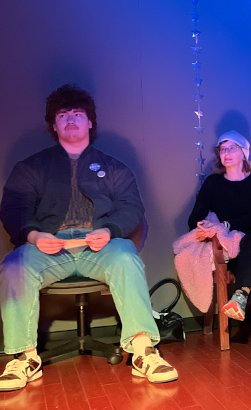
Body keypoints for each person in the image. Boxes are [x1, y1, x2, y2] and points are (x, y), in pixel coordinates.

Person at [0, 84, 177, 391]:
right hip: (49, 247)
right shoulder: (31, 167)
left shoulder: (113, 167)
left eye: (78, 114)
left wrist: (109, 231)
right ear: (54, 125)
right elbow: (13, 208)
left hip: (100, 246)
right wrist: (34, 235)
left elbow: (131, 207)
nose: (70, 119)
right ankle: (23, 357)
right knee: (14, 265)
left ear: (90, 122)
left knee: (125, 257)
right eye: (63, 115)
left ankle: (143, 350)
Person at [187, 130, 251, 352]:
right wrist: (204, 226)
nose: (226, 153)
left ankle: (241, 294)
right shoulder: (213, 183)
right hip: (238, 251)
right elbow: (194, 219)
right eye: (222, 149)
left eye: (232, 148)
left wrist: (225, 225)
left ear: (244, 153)